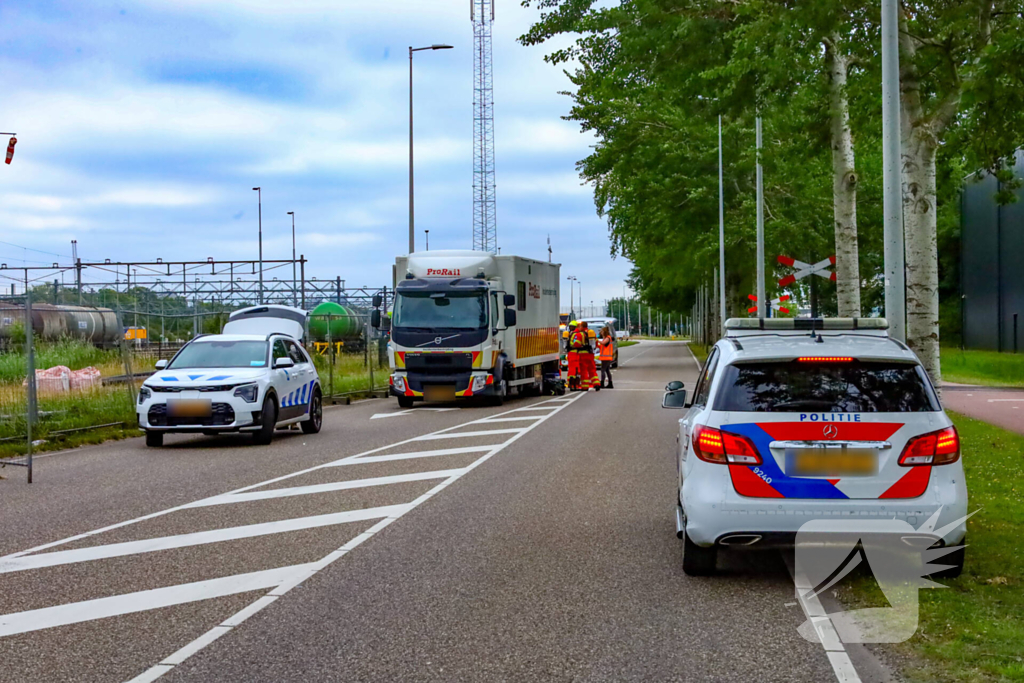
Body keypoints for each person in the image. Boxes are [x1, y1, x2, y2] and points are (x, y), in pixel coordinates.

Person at [576, 321, 599, 391]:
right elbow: (596, 342)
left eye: (579, 326)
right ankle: (596, 384)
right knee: (592, 370)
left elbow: (577, 344)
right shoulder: (591, 333)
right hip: (591, 354)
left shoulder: (580, 334)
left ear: (582, 327)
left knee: (584, 371)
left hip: (582, 354)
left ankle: (585, 386)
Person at [565, 321, 581, 390]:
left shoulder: (569, 334)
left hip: (571, 353)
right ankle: (574, 385)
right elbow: (575, 343)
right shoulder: (576, 334)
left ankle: (572, 384)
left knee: (572, 370)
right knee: (576, 370)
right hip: (576, 353)